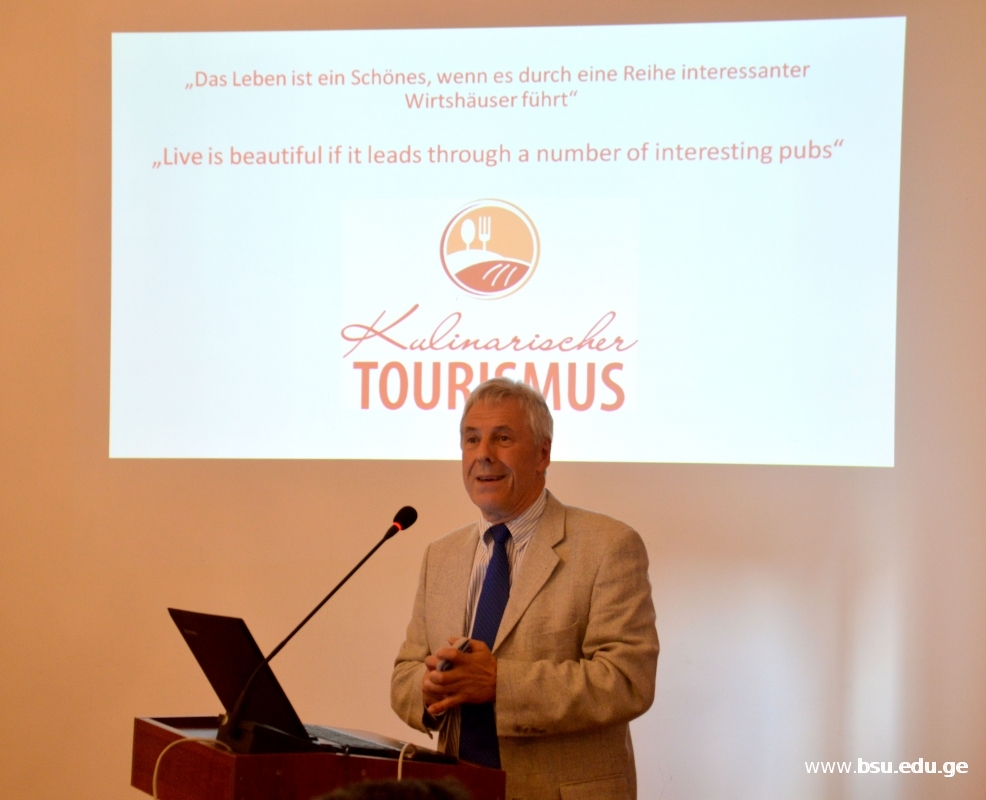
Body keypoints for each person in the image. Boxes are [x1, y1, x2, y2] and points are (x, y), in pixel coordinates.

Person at [391, 378, 658, 800]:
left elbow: (627, 680)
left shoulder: (608, 545)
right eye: (471, 439)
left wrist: (500, 683)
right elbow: (405, 672)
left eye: (503, 438)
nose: (483, 454)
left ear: (543, 454)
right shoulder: (440, 556)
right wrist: (427, 690)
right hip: (458, 790)